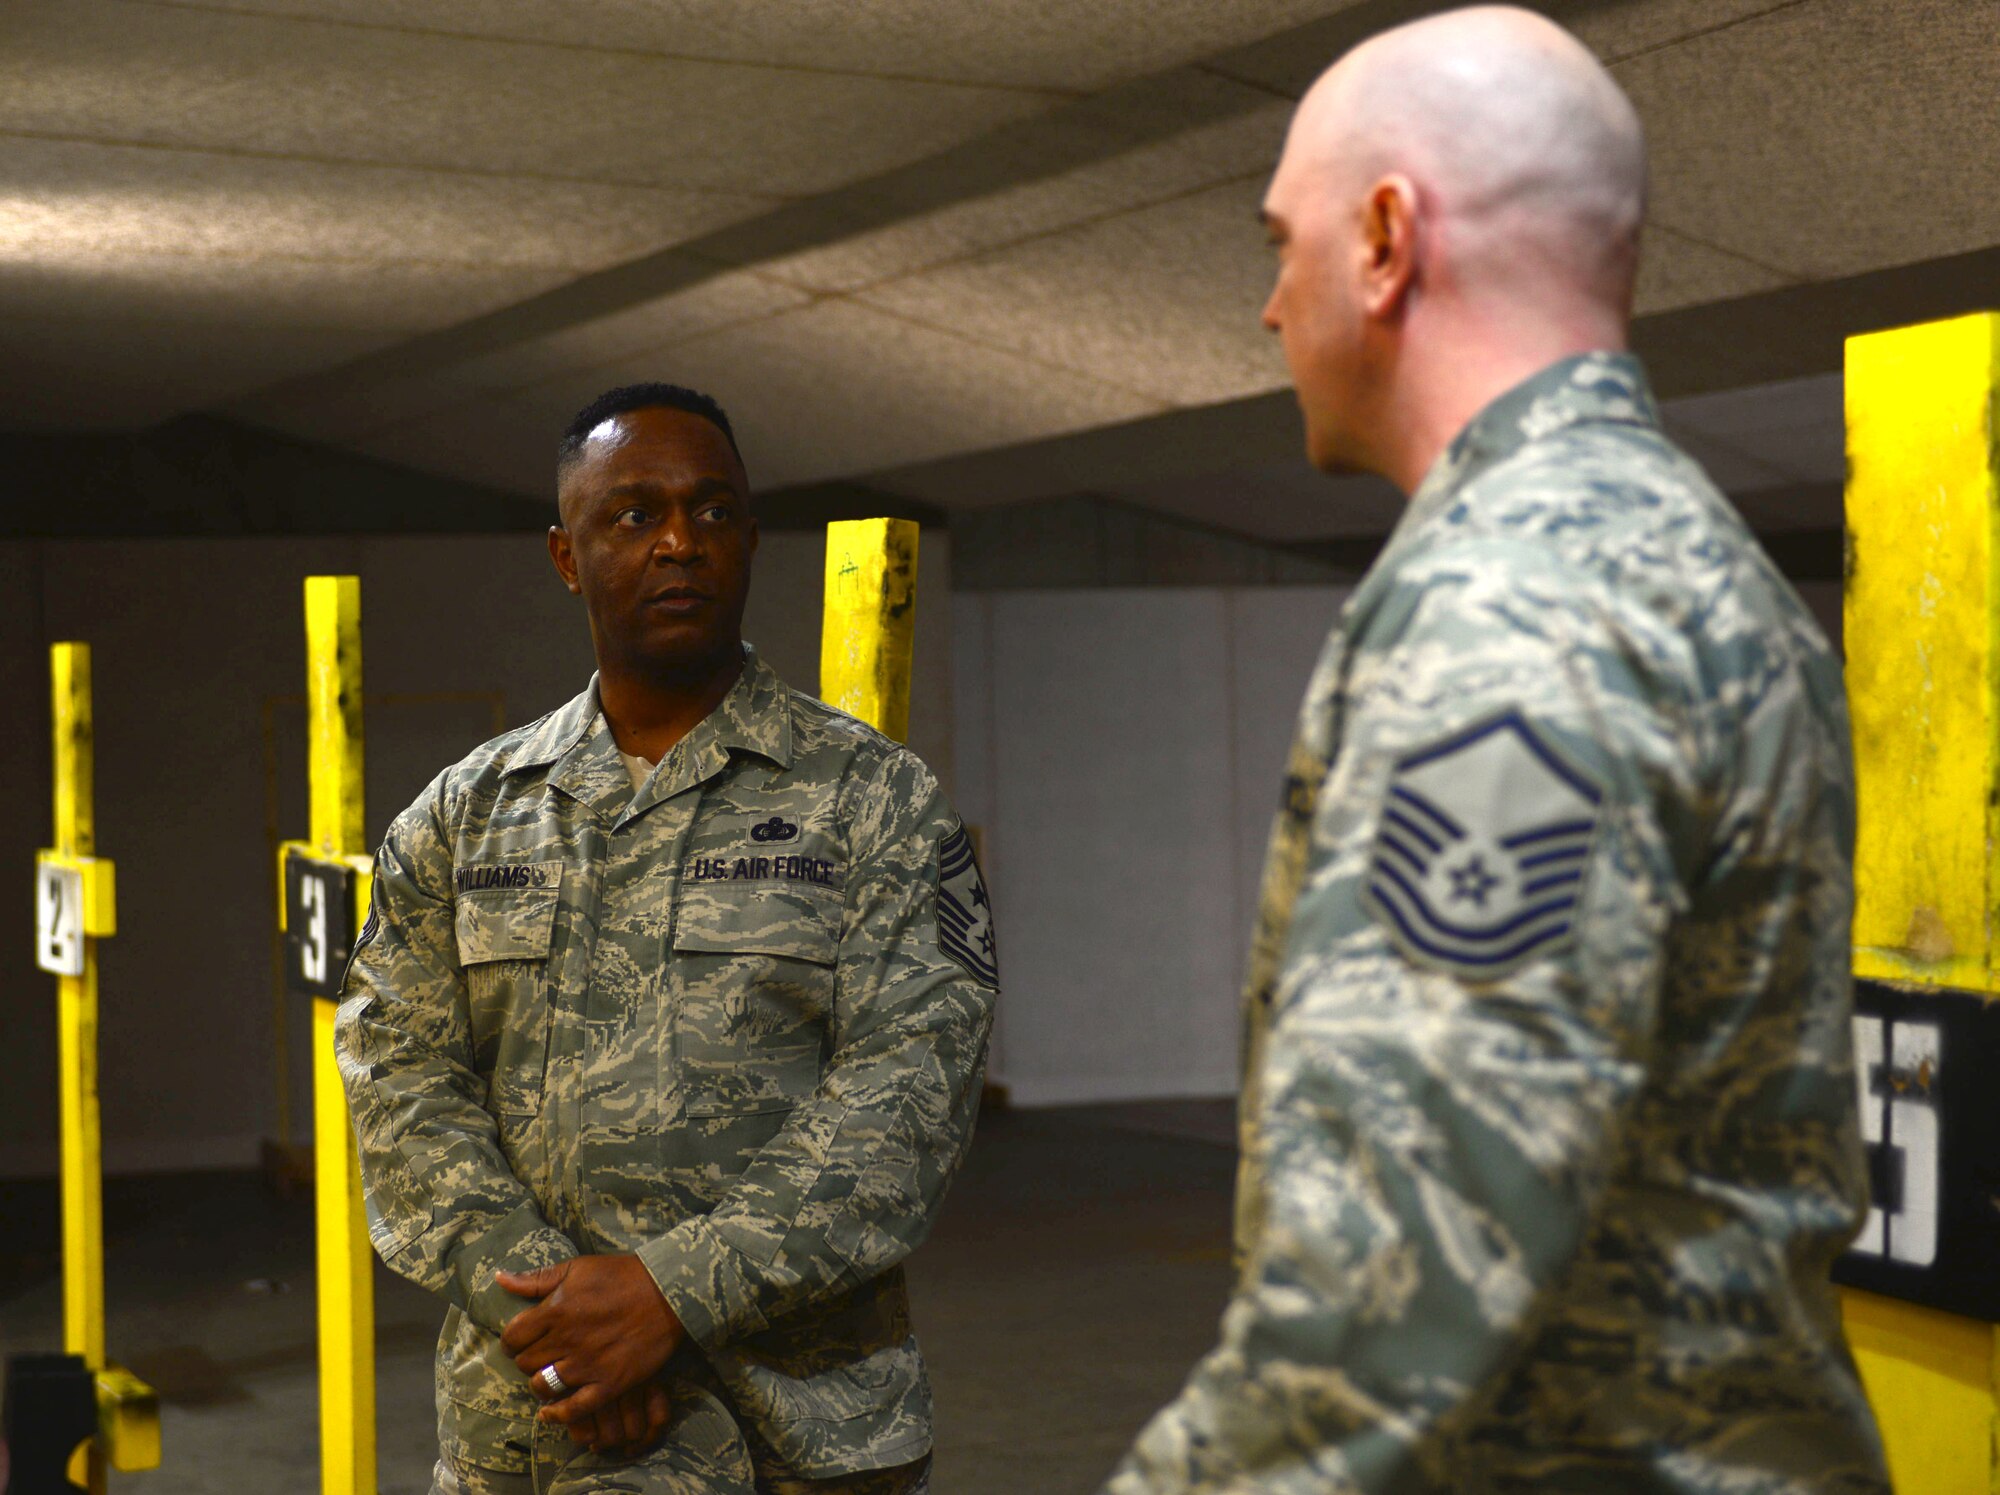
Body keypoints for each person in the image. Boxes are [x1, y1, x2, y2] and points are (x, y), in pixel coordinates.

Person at [1104, 8, 1889, 1491]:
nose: (1272, 308)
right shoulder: (1679, 557)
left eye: (1285, 244)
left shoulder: (1517, 598)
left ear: (1388, 237)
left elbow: (1399, 1256)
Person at [335, 382, 997, 1495]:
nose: (679, 541)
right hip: (536, 1431)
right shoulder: (466, 812)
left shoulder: (873, 800)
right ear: (565, 553)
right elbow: (397, 1082)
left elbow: (909, 1098)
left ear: (748, 535)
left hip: (797, 1440)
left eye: (713, 510)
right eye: (633, 514)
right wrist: (557, 1320)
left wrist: (669, 1294)